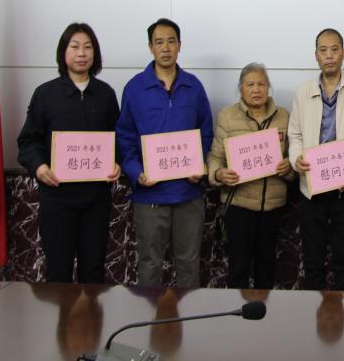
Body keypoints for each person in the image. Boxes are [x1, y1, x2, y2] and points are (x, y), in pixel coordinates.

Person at [17, 22, 121, 283]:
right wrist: (39, 167)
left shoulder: (105, 94)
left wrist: (117, 162)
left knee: (93, 271)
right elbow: (28, 141)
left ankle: (93, 313)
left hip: (96, 199)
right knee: (58, 272)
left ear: (95, 53)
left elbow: (118, 139)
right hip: (57, 198)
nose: (81, 53)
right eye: (74, 47)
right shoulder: (45, 94)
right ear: (63, 52)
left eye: (88, 47)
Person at [116, 18, 213, 287]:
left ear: (180, 45)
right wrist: (136, 172)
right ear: (151, 47)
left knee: (189, 264)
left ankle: (188, 314)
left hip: (188, 194)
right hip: (150, 195)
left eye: (171, 41)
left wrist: (199, 165)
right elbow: (124, 136)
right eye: (159, 42)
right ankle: (150, 315)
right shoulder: (135, 88)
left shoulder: (194, 86)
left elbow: (206, 132)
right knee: (149, 265)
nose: (166, 48)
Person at [288, 28, 344, 290]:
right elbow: (294, 134)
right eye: (323, 50)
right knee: (312, 259)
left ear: (343, 53)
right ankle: (312, 312)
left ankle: (343, 312)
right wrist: (296, 159)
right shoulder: (302, 92)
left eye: (334, 50)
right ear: (316, 55)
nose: (329, 56)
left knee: (343, 259)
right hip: (311, 188)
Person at [207, 63, 295, 289]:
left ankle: (265, 311)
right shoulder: (227, 116)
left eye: (261, 84)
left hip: (272, 206)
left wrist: (289, 168)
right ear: (241, 88)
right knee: (238, 268)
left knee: (267, 268)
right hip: (239, 205)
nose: (256, 89)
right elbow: (215, 157)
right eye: (250, 84)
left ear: (268, 87)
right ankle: (238, 312)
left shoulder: (284, 117)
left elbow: (295, 157)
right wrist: (219, 173)